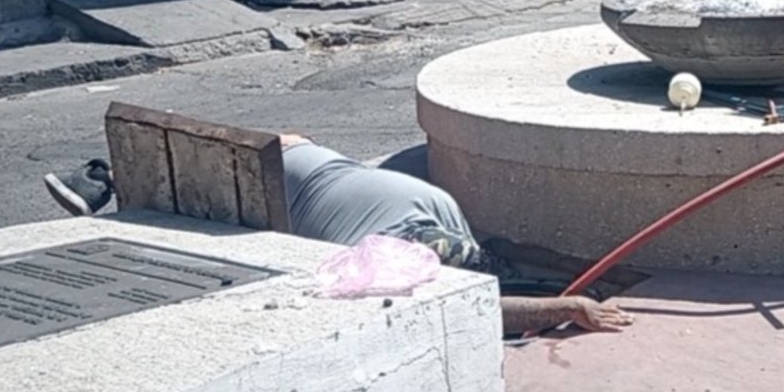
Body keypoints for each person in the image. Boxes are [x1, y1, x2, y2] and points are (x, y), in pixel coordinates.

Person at [41, 138, 633, 337]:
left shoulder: (435, 220)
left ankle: (103, 175)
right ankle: (109, 184)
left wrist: (586, 271)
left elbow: (501, 255)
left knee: (221, 163)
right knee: (191, 207)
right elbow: (477, 305)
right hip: (297, 188)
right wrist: (566, 304)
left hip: (317, 165)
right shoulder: (393, 261)